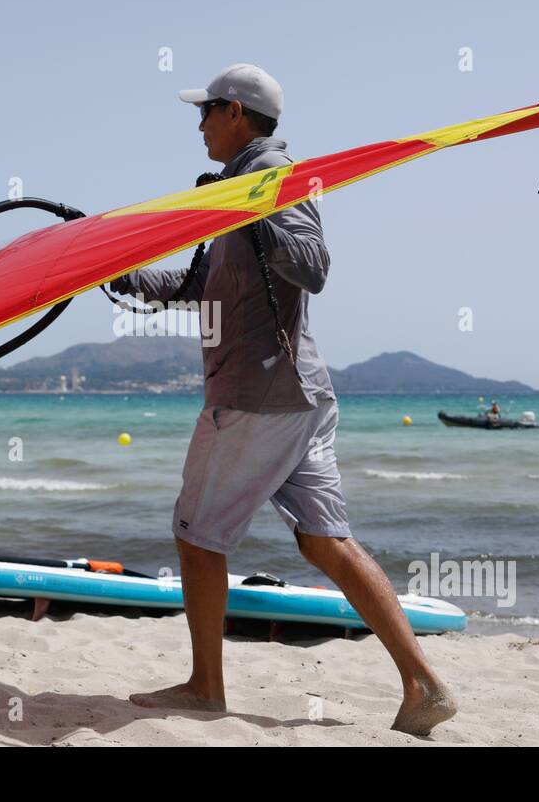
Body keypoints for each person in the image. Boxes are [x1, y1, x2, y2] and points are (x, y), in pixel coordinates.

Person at [110, 63, 455, 735]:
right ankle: (424, 683)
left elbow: (314, 265)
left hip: (257, 398)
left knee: (196, 537)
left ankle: (206, 689)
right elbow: (195, 282)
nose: (199, 124)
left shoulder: (275, 181)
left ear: (235, 111)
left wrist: (250, 206)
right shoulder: (237, 186)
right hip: (300, 395)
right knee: (327, 543)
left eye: (205, 111)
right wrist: (116, 275)